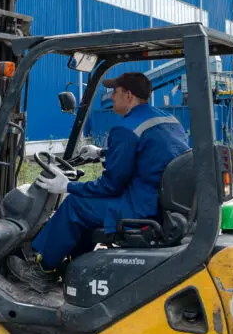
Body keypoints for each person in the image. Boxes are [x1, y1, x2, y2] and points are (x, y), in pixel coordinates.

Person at [10, 72, 190, 284]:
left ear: (129, 96)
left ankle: (42, 270)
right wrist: (102, 153)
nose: (111, 96)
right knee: (88, 208)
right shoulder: (167, 120)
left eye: (115, 92)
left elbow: (110, 186)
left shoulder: (126, 128)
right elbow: (149, 152)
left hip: (141, 207)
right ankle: (71, 264)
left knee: (75, 205)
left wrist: (68, 186)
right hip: (161, 203)